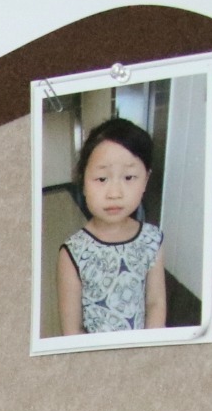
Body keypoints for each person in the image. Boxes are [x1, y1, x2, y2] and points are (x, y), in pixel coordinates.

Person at [57, 116, 166, 334]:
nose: (115, 193)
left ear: (145, 180)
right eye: (102, 179)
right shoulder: (72, 252)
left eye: (129, 177)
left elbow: (155, 303)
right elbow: (71, 330)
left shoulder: (152, 239)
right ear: (83, 182)